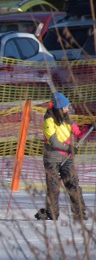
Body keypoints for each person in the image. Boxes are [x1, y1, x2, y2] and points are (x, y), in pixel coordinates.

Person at [38, 92, 93, 221]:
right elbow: (54, 142)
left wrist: (89, 127)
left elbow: (78, 133)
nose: (68, 109)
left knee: (73, 184)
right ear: (59, 108)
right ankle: (51, 213)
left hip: (66, 158)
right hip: (52, 158)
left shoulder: (67, 118)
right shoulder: (48, 120)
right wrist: (69, 148)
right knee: (53, 187)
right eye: (66, 106)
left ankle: (79, 212)